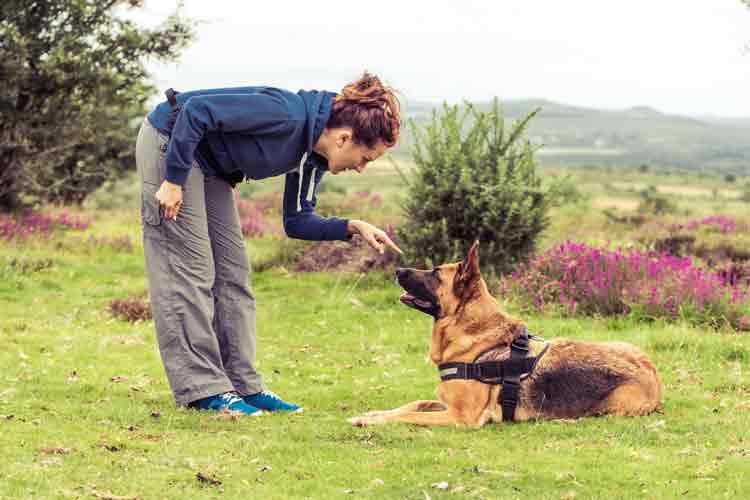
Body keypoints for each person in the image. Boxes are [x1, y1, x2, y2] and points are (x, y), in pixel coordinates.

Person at [135, 72, 403, 416]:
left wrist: (351, 226)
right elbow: (198, 110)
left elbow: (297, 221)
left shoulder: (312, 158)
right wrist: (173, 180)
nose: (362, 169)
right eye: (366, 158)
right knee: (191, 268)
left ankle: (243, 384)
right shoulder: (285, 113)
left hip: (212, 166)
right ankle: (202, 389)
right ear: (345, 138)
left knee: (233, 274)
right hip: (172, 143)